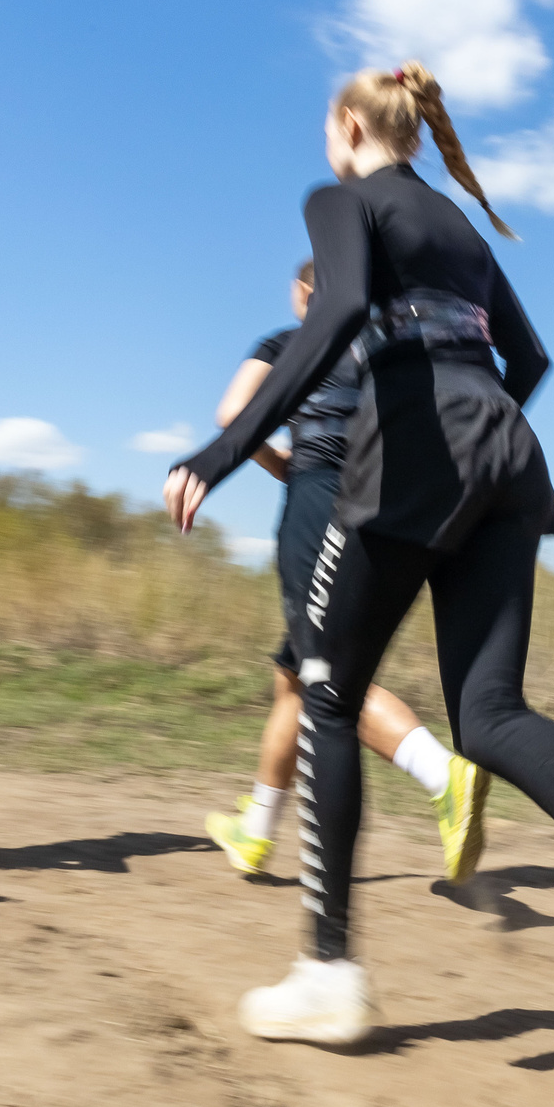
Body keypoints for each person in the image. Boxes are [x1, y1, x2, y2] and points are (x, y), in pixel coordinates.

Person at [166, 66, 554, 1102]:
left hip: (414, 455)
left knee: (324, 689)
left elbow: (337, 307)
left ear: (350, 126)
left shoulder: (341, 197)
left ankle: (328, 973)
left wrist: (223, 448)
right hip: (507, 453)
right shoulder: (458, 226)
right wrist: (472, 413)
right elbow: (527, 356)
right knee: (487, 712)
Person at [203, 259, 492, 884]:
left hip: (316, 499)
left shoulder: (288, 341)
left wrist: (279, 463)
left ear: (307, 292)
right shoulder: (384, 341)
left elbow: (233, 413)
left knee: (325, 675)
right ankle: (255, 830)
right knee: (293, 676)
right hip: (383, 507)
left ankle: (443, 775)